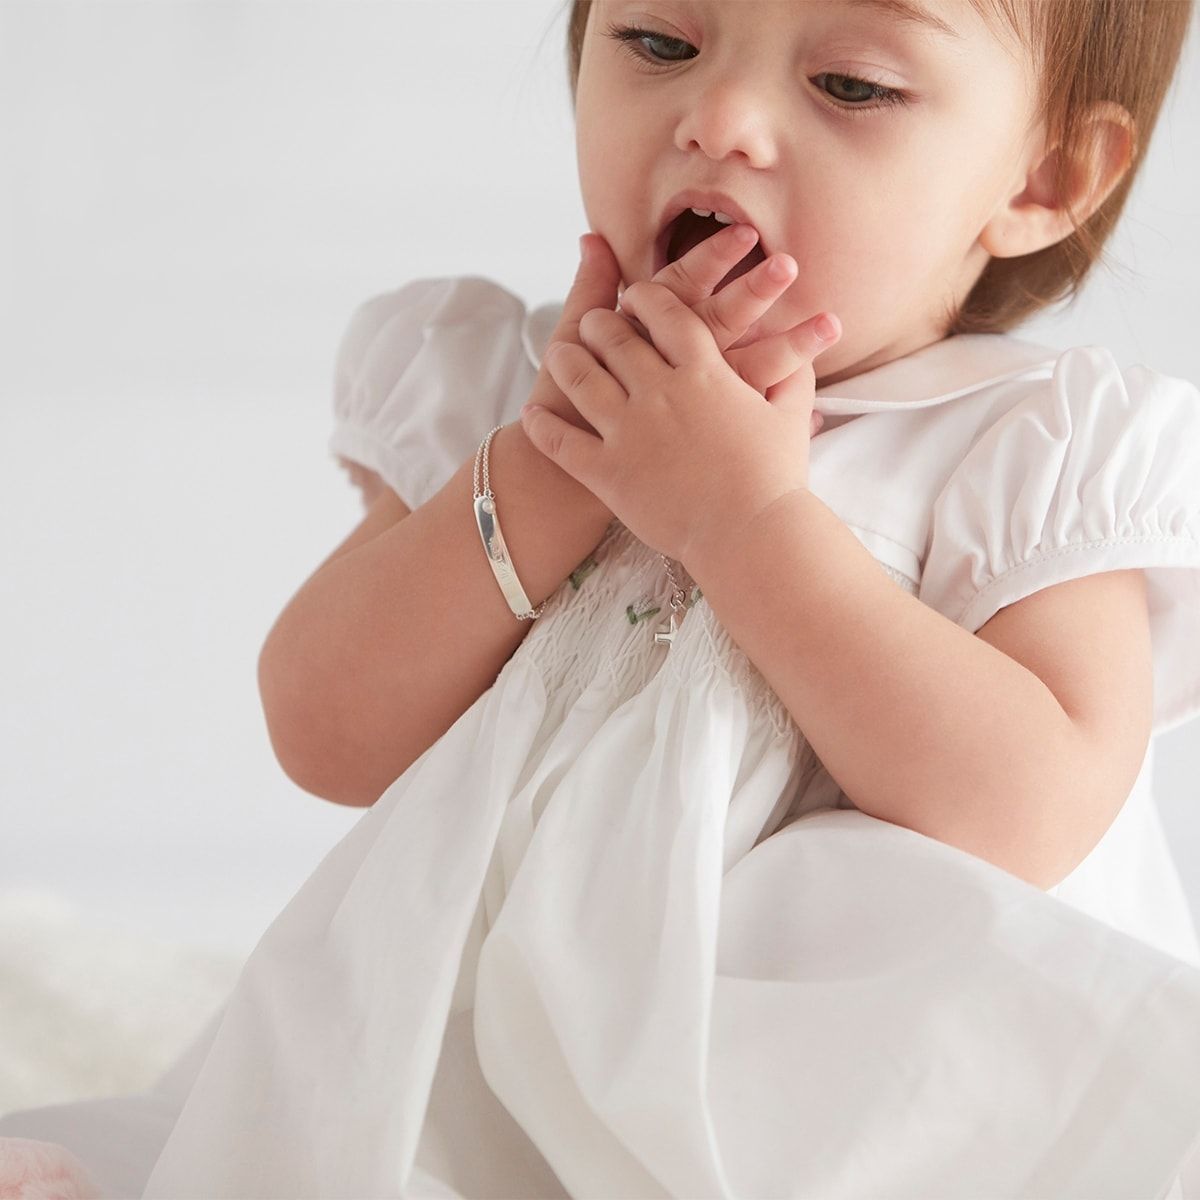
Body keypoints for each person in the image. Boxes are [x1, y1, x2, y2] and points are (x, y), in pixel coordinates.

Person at [4, 0, 1200, 1196]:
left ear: (1046, 175)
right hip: (465, 1076)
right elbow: (325, 729)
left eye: (852, 86)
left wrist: (747, 524)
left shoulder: (1025, 450)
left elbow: (1028, 814)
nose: (719, 121)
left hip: (830, 1106)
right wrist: (549, 465)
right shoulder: (506, 390)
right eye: (661, 45)